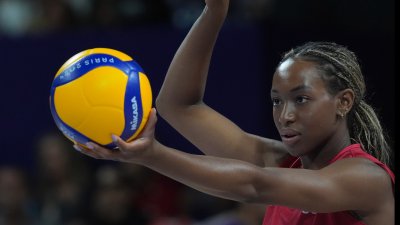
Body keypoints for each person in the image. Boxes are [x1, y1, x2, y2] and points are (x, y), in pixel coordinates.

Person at [73, 0, 395, 224]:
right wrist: (214, 11)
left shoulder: (366, 178)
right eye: (276, 101)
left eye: (301, 99)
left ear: (344, 102)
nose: (285, 116)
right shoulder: (283, 162)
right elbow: (178, 105)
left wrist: (151, 155)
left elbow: (254, 185)